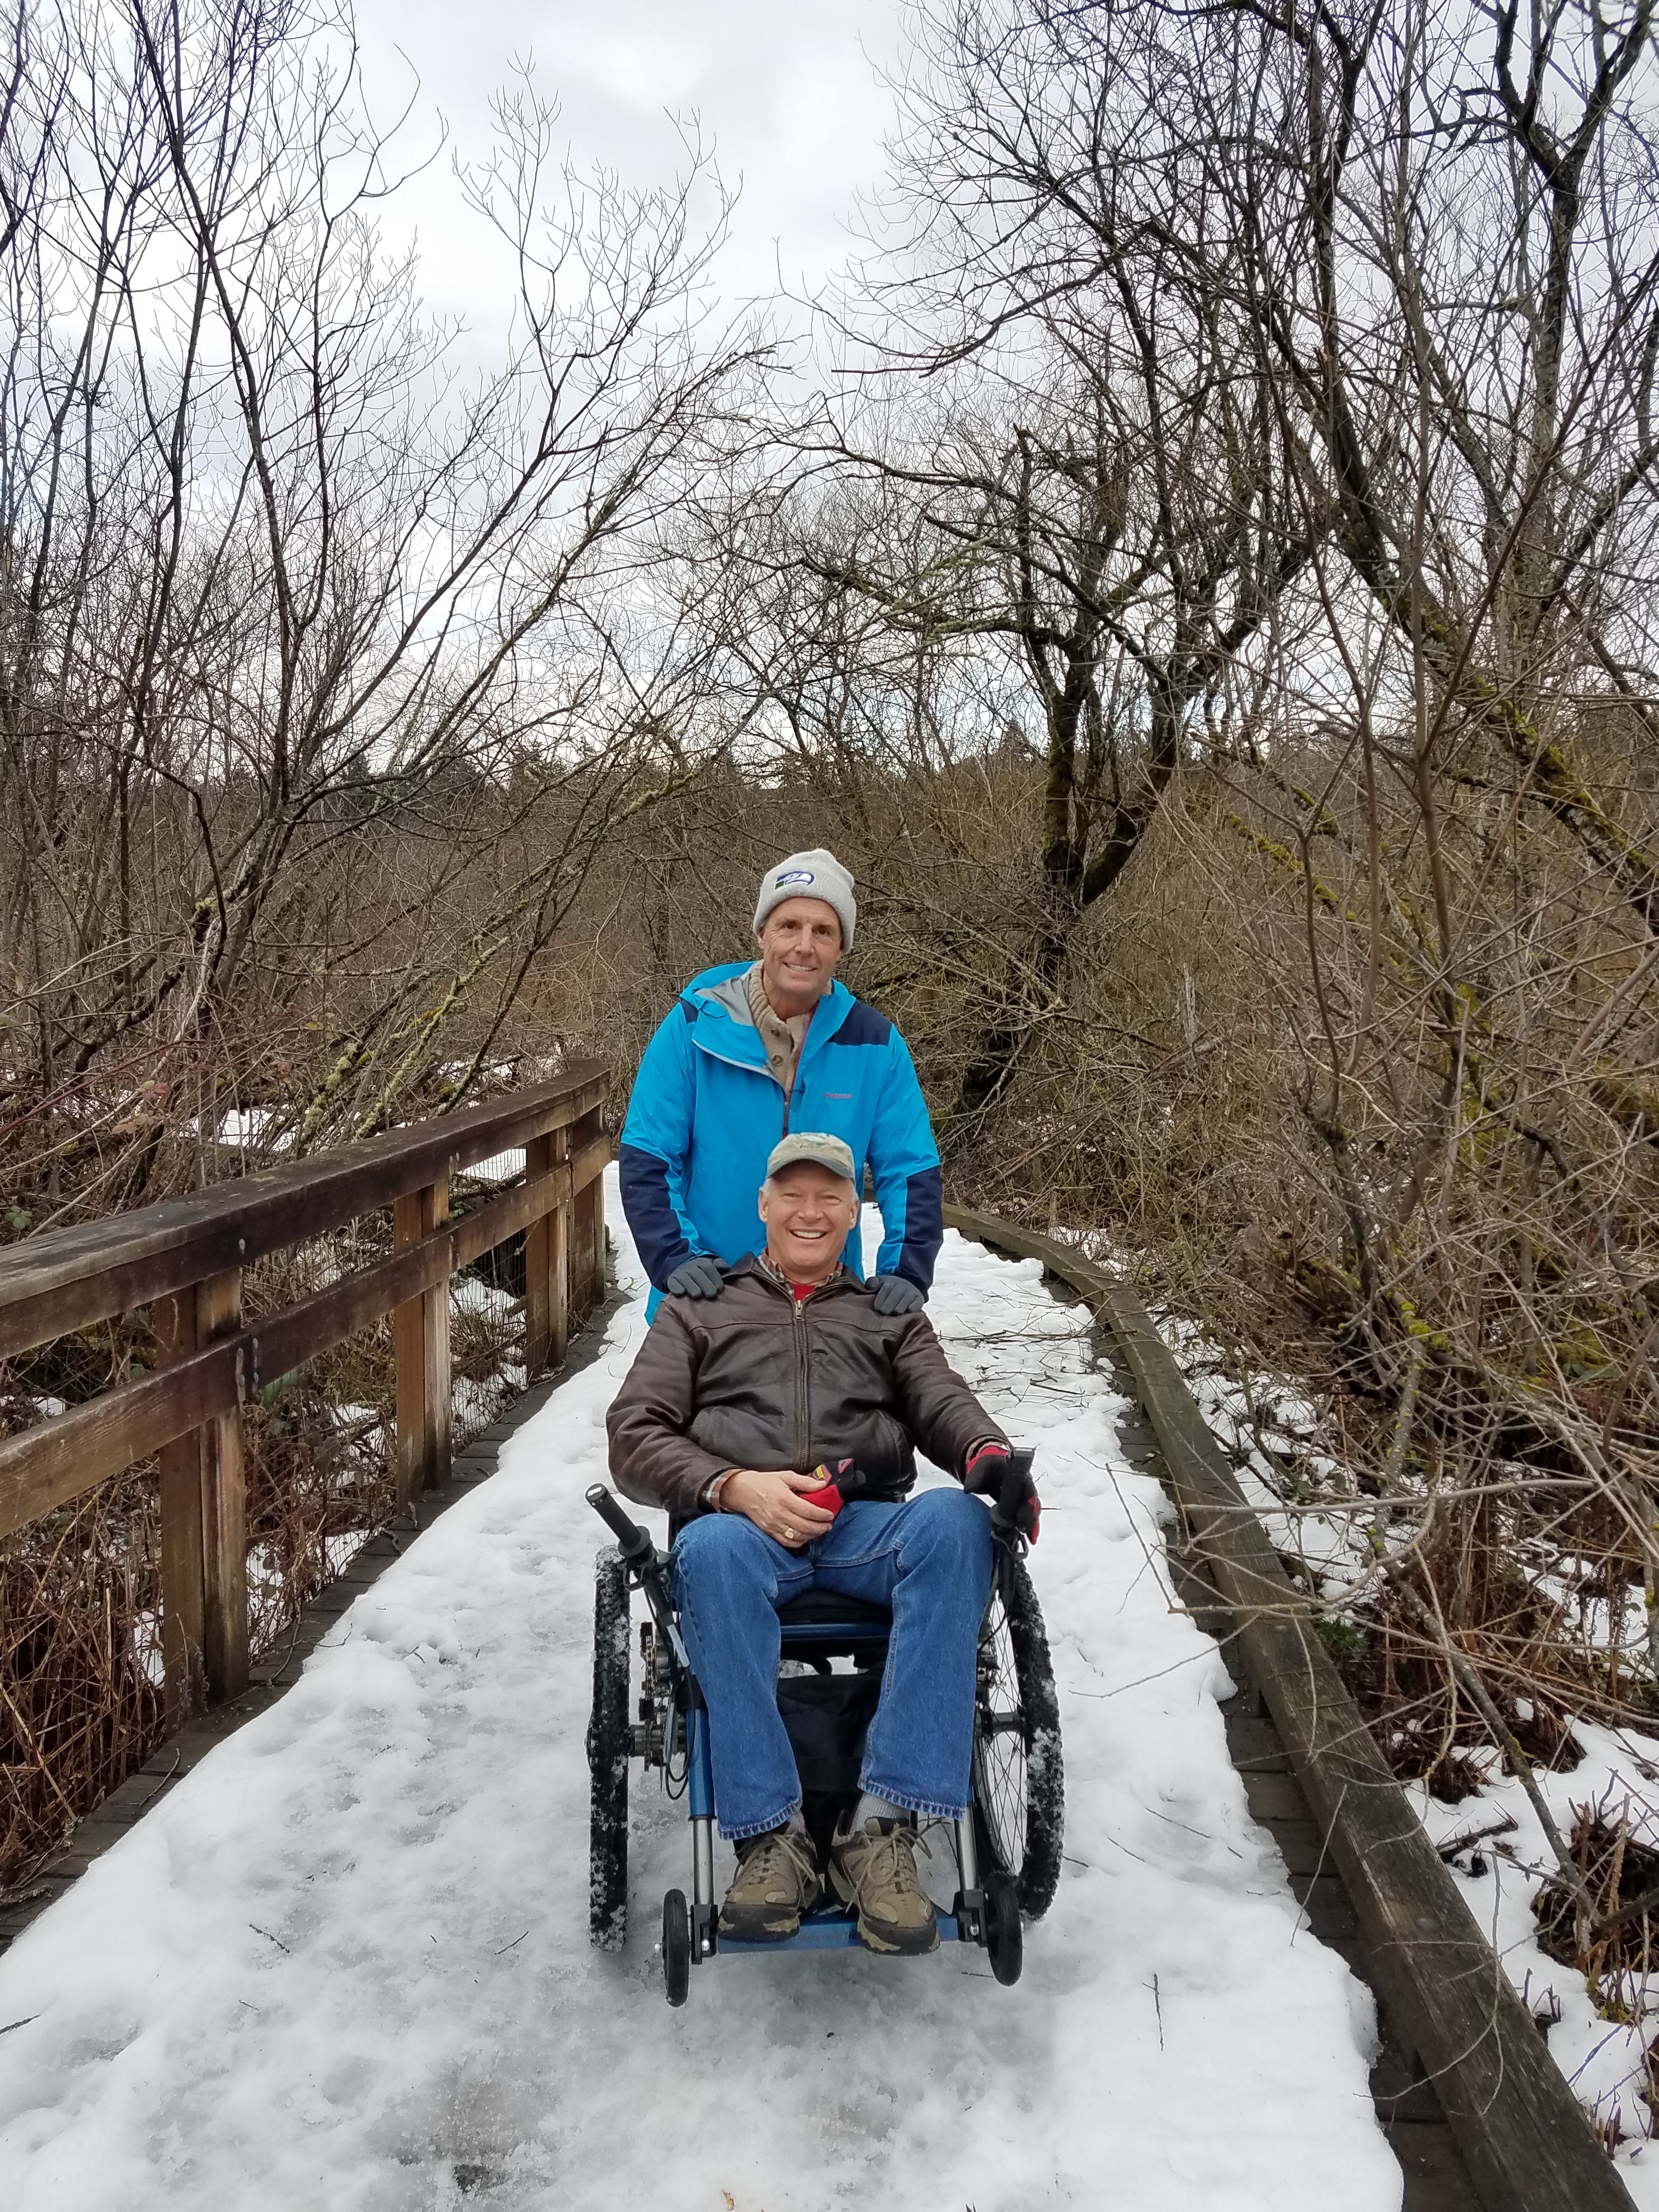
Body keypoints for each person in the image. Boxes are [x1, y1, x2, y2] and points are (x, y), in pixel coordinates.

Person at [605, 1131, 1040, 1956]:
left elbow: (941, 1400)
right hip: (742, 1527)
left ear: (853, 1212)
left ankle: (881, 1833)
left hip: (862, 1525)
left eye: (830, 1197)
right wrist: (732, 1487)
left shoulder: (887, 1315)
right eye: (792, 1195)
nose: (810, 1212)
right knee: (709, 1555)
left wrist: (987, 1456)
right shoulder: (700, 1308)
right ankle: (772, 1839)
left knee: (956, 1524)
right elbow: (633, 1432)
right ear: (763, 1206)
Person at [618, 848, 942, 1319]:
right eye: (789, 925)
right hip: (707, 1302)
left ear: (841, 947)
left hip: (826, 1309)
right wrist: (674, 1257)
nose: (804, 945)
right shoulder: (694, 1027)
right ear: (762, 933)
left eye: (824, 931)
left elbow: (910, 1168)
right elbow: (648, 1155)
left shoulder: (875, 1045)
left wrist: (907, 1270)